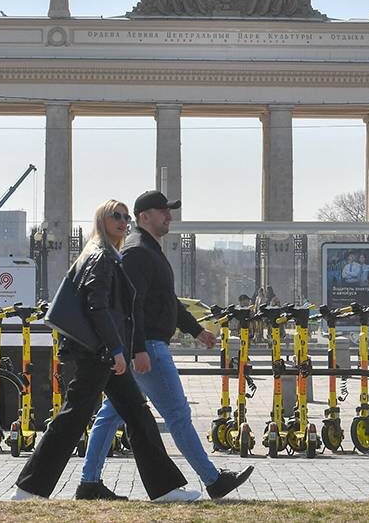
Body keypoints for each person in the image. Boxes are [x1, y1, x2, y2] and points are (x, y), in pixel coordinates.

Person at [12, 199, 196, 503]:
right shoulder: (102, 258)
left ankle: (165, 489)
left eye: (126, 217)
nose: (123, 221)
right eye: (116, 216)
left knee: (138, 415)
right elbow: (97, 306)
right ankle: (30, 489)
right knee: (73, 418)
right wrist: (116, 349)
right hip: (98, 354)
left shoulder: (107, 255)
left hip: (102, 353)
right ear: (101, 220)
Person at [78, 190, 254, 500]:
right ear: (144, 217)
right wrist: (137, 349)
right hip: (148, 347)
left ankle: (89, 483)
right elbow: (131, 306)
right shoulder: (137, 252)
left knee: (111, 414)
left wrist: (196, 331)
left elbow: (166, 301)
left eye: (169, 211)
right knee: (177, 414)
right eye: (163, 211)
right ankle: (213, 480)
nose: (169, 216)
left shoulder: (147, 250)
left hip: (147, 344)